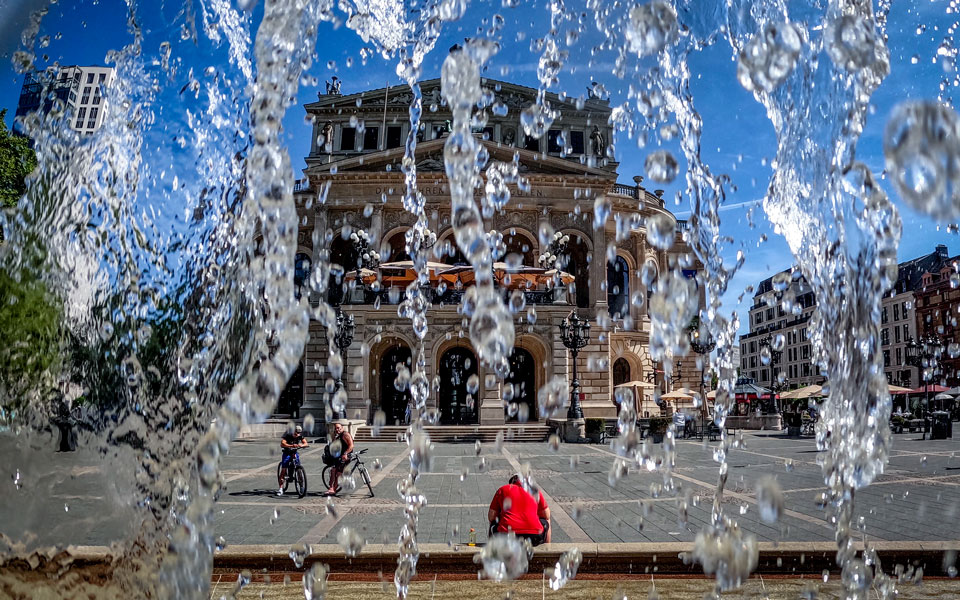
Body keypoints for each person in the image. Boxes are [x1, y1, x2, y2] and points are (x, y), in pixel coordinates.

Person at [488, 474, 551, 546]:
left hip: (506, 537)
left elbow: (491, 516)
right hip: (534, 537)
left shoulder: (503, 489)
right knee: (546, 519)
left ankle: (492, 549)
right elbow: (547, 515)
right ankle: (548, 547)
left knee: (493, 522)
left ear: (511, 483)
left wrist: (501, 516)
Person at [278, 425, 308, 496]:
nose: (297, 434)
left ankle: (301, 486)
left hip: (294, 453)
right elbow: (282, 444)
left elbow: (306, 443)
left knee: (299, 468)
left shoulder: (300, 436)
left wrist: (301, 445)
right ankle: (281, 488)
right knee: (284, 469)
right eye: (296, 433)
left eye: (299, 433)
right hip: (287, 453)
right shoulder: (288, 435)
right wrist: (291, 446)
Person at [325, 422, 354, 496]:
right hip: (340, 457)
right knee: (334, 470)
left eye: (338, 428)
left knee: (337, 472)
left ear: (342, 428)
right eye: (336, 428)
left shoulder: (345, 435)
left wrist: (345, 453)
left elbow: (351, 446)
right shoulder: (338, 436)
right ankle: (332, 487)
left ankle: (333, 489)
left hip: (345, 456)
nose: (337, 429)